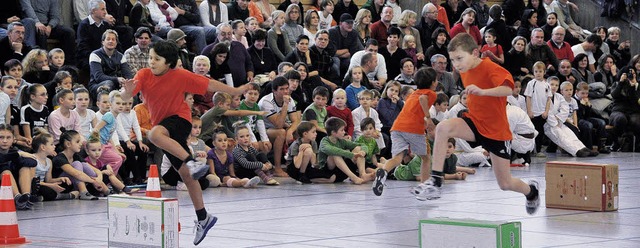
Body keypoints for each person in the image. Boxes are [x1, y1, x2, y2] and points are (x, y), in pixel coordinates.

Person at [120, 40, 251, 245]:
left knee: (154, 135)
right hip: (164, 126)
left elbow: (209, 85)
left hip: (180, 120)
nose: (151, 62)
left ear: (170, 63)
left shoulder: (180, 75)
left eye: (157, 59)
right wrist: (127, 91)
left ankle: (192, 161)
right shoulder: (144, 74)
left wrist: (235, 91)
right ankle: (203, 217)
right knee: (186, 175)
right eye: (150, 58)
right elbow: (126, 95)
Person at [414, 33, 540, 215]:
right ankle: (435, 180)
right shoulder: (464, 70)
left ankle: (531, 191)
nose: (456, 64)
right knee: (443, 127)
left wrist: (483, 91)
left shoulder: (490, 68)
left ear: (474, 53)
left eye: (459, 58)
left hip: (496, 132)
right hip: (474, 123)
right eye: (452, 60)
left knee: (505, 184)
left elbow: (508, 89)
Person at [370, 67, 437, 195]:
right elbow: (423, 100)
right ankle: (424, 187)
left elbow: (412, 112)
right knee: (426, 158)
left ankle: (383, 171)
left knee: (397, 158)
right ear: (433, 82)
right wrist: (428, 119)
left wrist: (423, 120)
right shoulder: (430, 93)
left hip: (397, 128)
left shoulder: (413, 94)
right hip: (413, 130)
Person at [257, 76, 300, 177]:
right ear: (274, 91)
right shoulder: (266, 102)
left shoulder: (290, 99)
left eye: (286, 88)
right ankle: (277, 168)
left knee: (301, 130)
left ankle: (296, 165)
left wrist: (290, 131)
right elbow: (279, 124)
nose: (285, 91)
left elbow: (296, 121)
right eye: (282, 89)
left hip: (278, 128)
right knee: (281, 132)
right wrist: (285, 105)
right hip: (262, 130)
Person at [543, 77, 596, 157]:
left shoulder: (559, 97)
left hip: (559, 121)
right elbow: (546, 112)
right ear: (547, 85)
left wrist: (558, 118)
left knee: (570, 134)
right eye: (552, 84)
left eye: (556, 85)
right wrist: (554, 121)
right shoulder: (543, 97)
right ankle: (576, 152)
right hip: (549, 124)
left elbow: (565, 109)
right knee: (562, 136)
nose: (554, 87)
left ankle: (583, 148)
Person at [21, 0, 76, 65]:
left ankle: (68, 65)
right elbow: (28, 11)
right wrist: (37, 22)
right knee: (42, 32)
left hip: (48, 25)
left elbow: (55, 17)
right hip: (32, 25)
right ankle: (44, 64)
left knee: (69, 32)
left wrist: (50, 26)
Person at [88, 29, 134, 101]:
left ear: (116, 43)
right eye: (108, 39)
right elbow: (98, 76)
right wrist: (116, 79)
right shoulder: (95, 55)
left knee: (130, 88)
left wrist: (125, 83)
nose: (111, 41)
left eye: (113, 39)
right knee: (109, 83)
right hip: (97, 84)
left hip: (117, 84)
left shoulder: (121, 56)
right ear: (103, 42)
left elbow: (128, 75)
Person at [0, 123, 38, 209]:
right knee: (4, 170)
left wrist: (18, 155)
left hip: (13, 184)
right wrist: (18, 154)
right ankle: (17, 198)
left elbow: (33, 162)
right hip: (3, 183)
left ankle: (26, 196)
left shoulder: (14, 150)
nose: (5, 141)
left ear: (13, 139)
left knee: (25, 167)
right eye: (1, 137)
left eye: (8, 137)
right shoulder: (16, 152)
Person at [31, 133, 78, 201]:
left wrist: (60, 179)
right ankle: (66, 196)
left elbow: (49, 180)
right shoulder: (33, 159)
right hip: (36, 186)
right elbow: (32, 181)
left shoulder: (49, 161)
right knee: (46, 190)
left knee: (67, 184)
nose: (54, 146)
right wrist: (51, 186)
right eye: (51, 144)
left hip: (45, 184)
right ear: (43, 147)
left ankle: (46, 196)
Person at [76, 0, 114, 71]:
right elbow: (83, 48)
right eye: (102, 9)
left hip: (105, 56)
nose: (105, 12)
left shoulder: (106, 25)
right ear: (93, 11)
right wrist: (98, 56)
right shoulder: (84, 25)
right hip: (88, 58)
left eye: (105, 9)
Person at [328, 14, 363, 78]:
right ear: (340, 23)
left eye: (351, 23)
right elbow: (332, 52)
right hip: (332, 58)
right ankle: (337, 81)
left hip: (346, 58)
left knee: (351, 61)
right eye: (347, 23)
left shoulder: (354, 33)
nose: (350, 25)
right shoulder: (332, 32)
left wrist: (339, 53)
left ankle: (349, 80)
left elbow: (353, 52)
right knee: (336, 61)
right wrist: (346, 50)